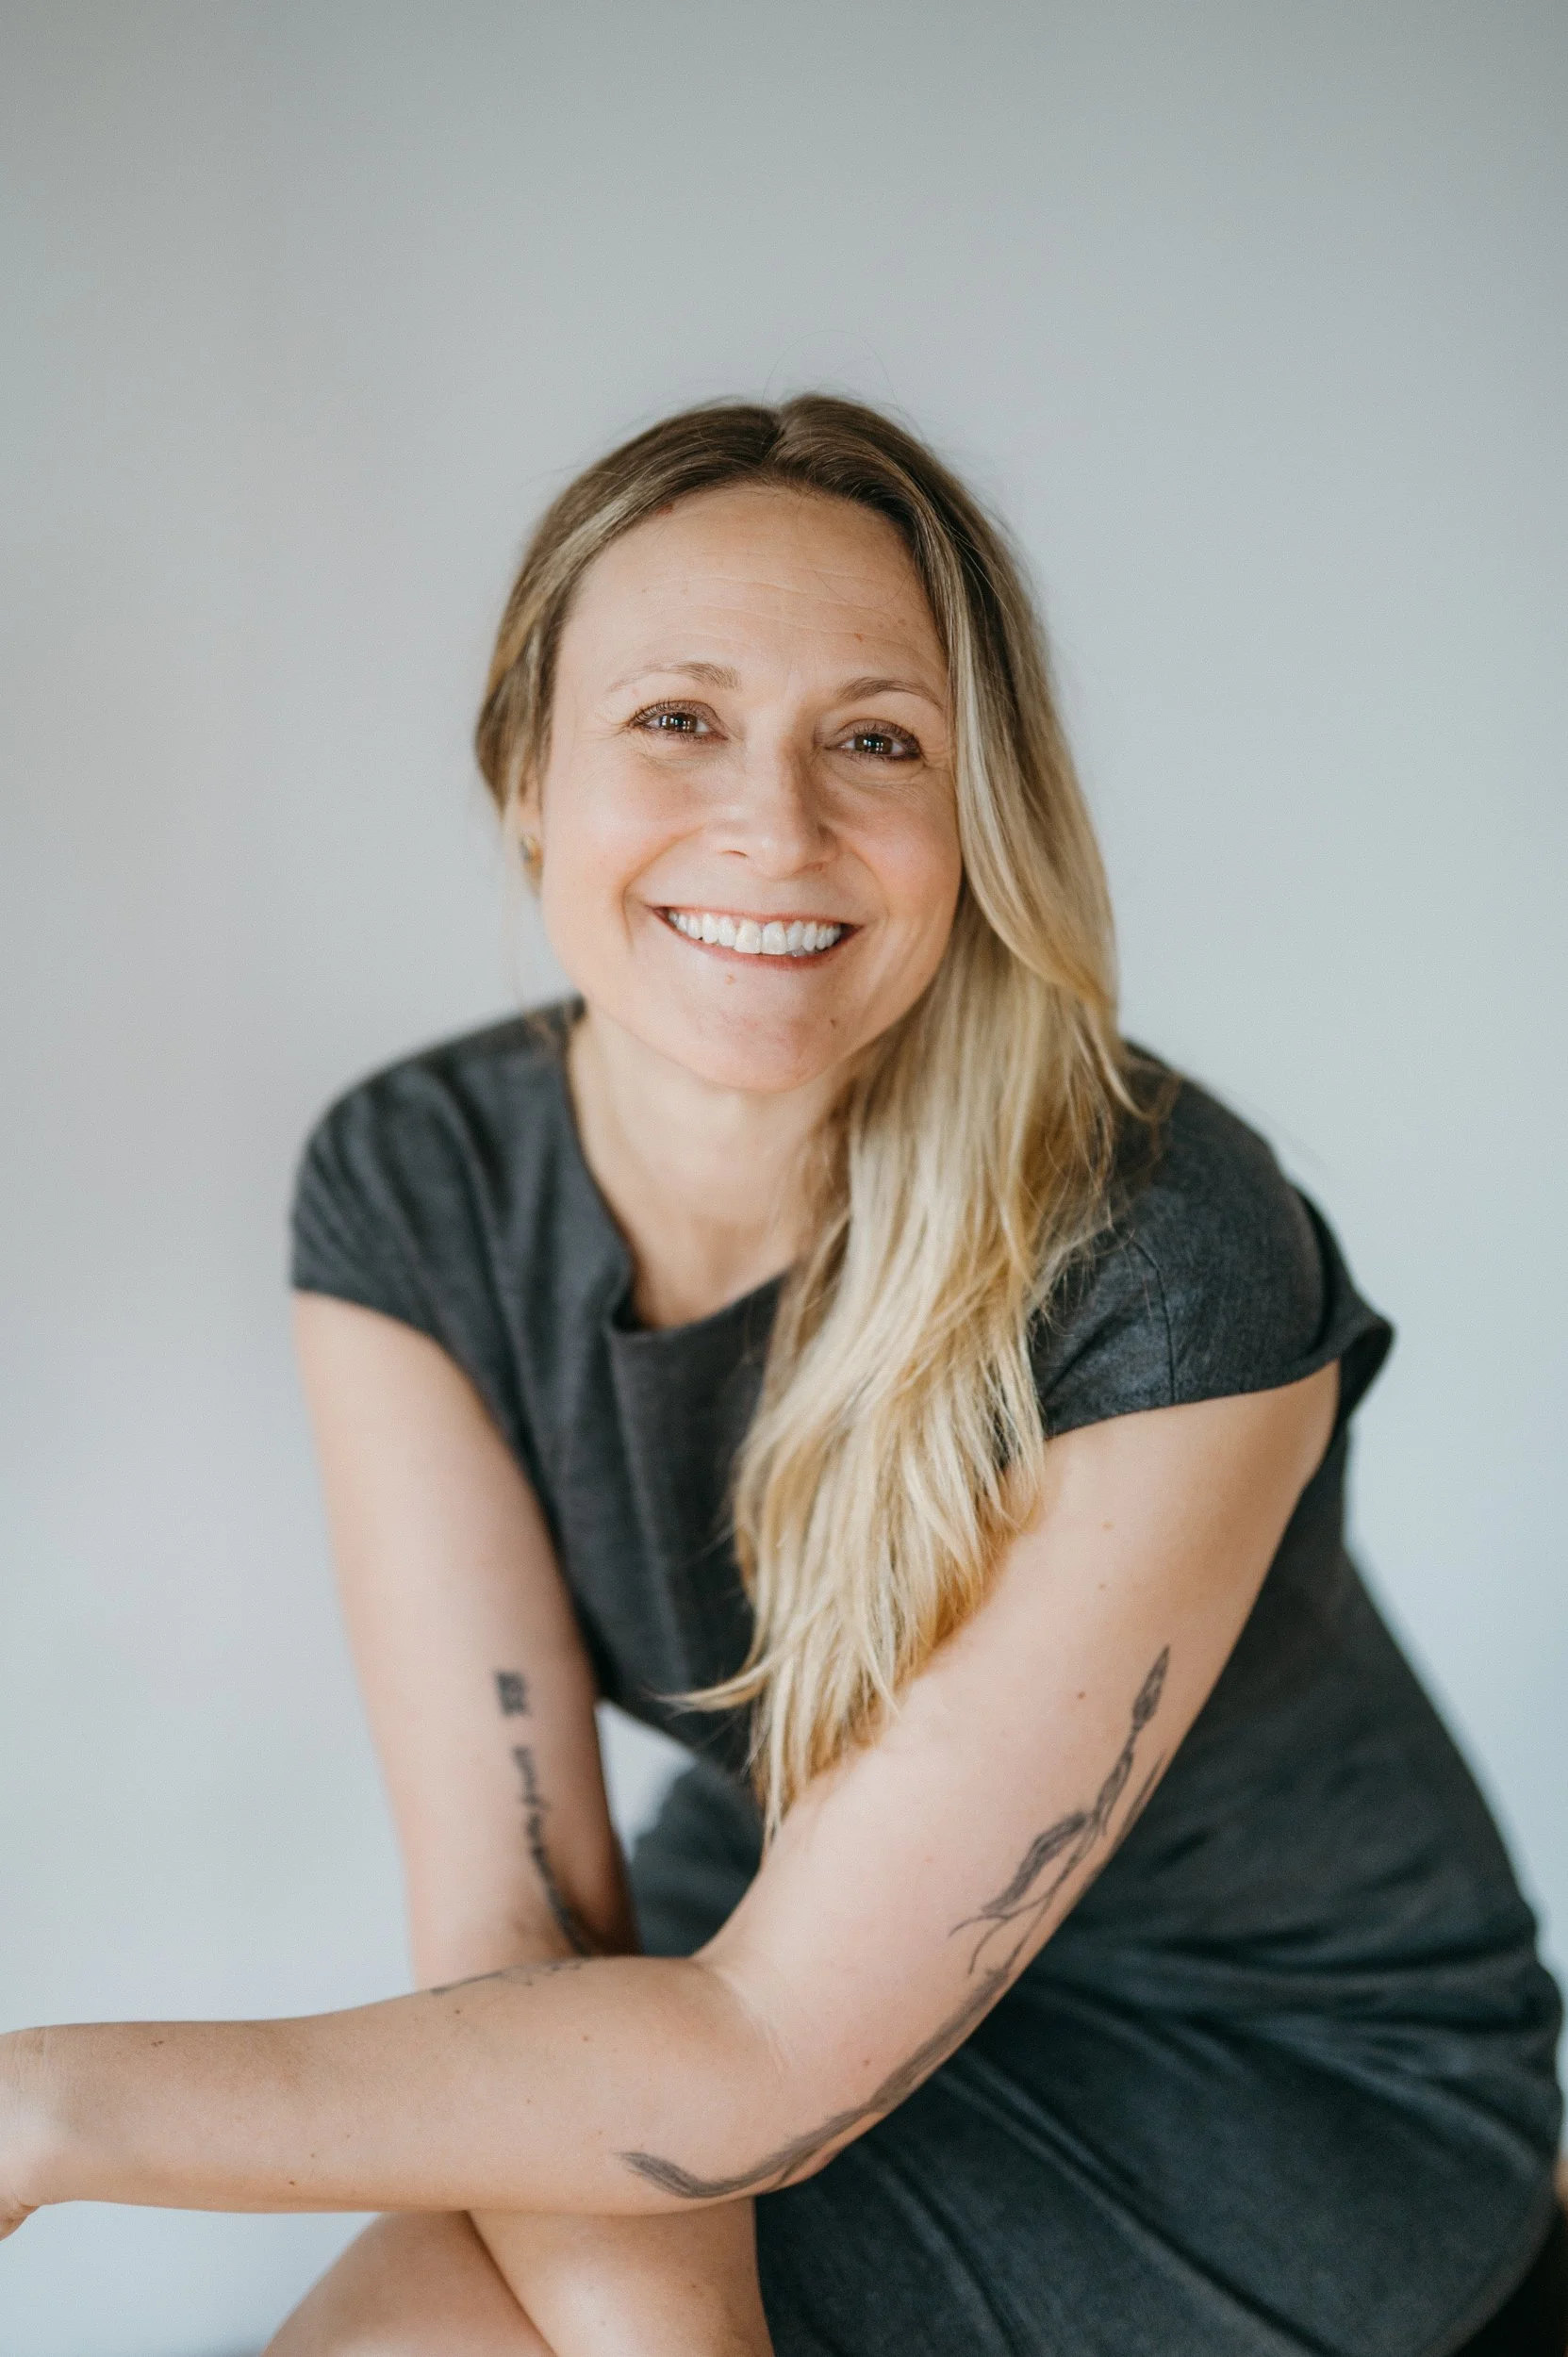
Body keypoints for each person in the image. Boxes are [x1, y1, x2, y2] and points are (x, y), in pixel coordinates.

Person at [2, 396, 1562, 2357]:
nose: (777, 826)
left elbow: (753, 2060)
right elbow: (517, 1939)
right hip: (772, 1927)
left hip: (1252, 2067)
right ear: (525, 783)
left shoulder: (1171, 1244)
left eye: (878, 738)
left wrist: (40, 2105)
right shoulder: (416, 1182)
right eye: (678, 717)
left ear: (976, 814)